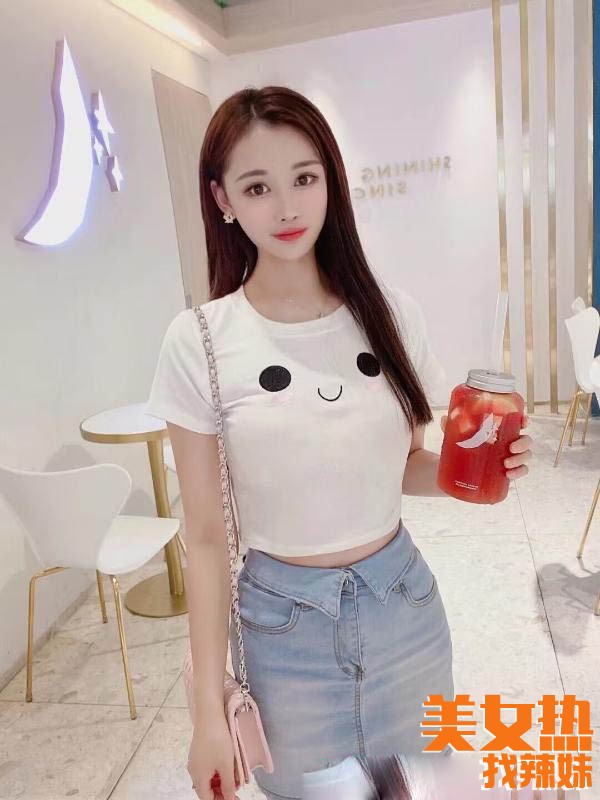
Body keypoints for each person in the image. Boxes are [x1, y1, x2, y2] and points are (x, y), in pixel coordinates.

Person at [145, 85, 533, 800]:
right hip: (283, 633)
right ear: (223, 199)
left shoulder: (388, 315)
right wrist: (205, 713)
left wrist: (472, 472)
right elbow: (204, 537)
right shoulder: (199, 340)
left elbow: (405, 465)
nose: (286, 207)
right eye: (257, 187)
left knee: (418, 787)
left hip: (404, 610)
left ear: (330, 180)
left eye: (304, 178)